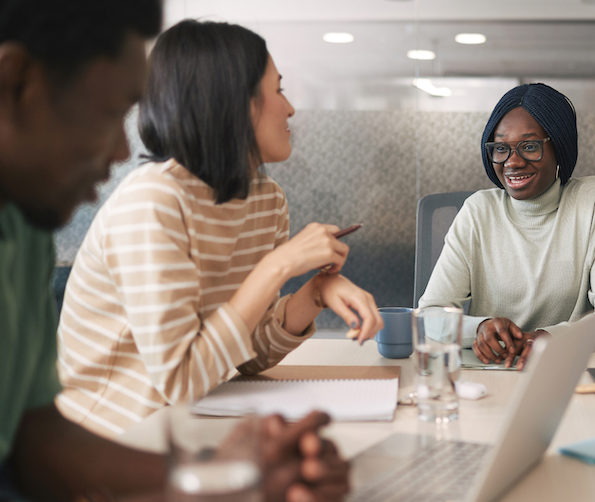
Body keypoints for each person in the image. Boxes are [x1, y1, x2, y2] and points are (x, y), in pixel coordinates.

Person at [0, 2, 348, 502]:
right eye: (109, 111)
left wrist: (228, 476)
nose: (123, 149)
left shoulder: (24, 226)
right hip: (134, 426)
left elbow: (38, 443)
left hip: (178, 428)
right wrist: (216, 490)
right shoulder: (151, 199)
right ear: (14, 84)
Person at [56, 19, 383, 440]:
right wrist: (277, 267)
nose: (291, 108)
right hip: (106, 445)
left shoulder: (266, 201)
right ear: (237, 103)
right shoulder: (152, 201)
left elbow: (248, 354)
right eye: (278, 90)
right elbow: (180, 380)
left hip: (186, 431)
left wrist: (314, 294)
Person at [418, 83, 595, 369]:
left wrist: (550, 339)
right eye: (501, 148)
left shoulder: (593, 202)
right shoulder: (478, 211)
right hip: (489, 374)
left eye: (530, 147)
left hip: (564, 372)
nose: (513, 162)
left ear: (559, 146)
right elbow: (428, 315)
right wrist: (478, 329)